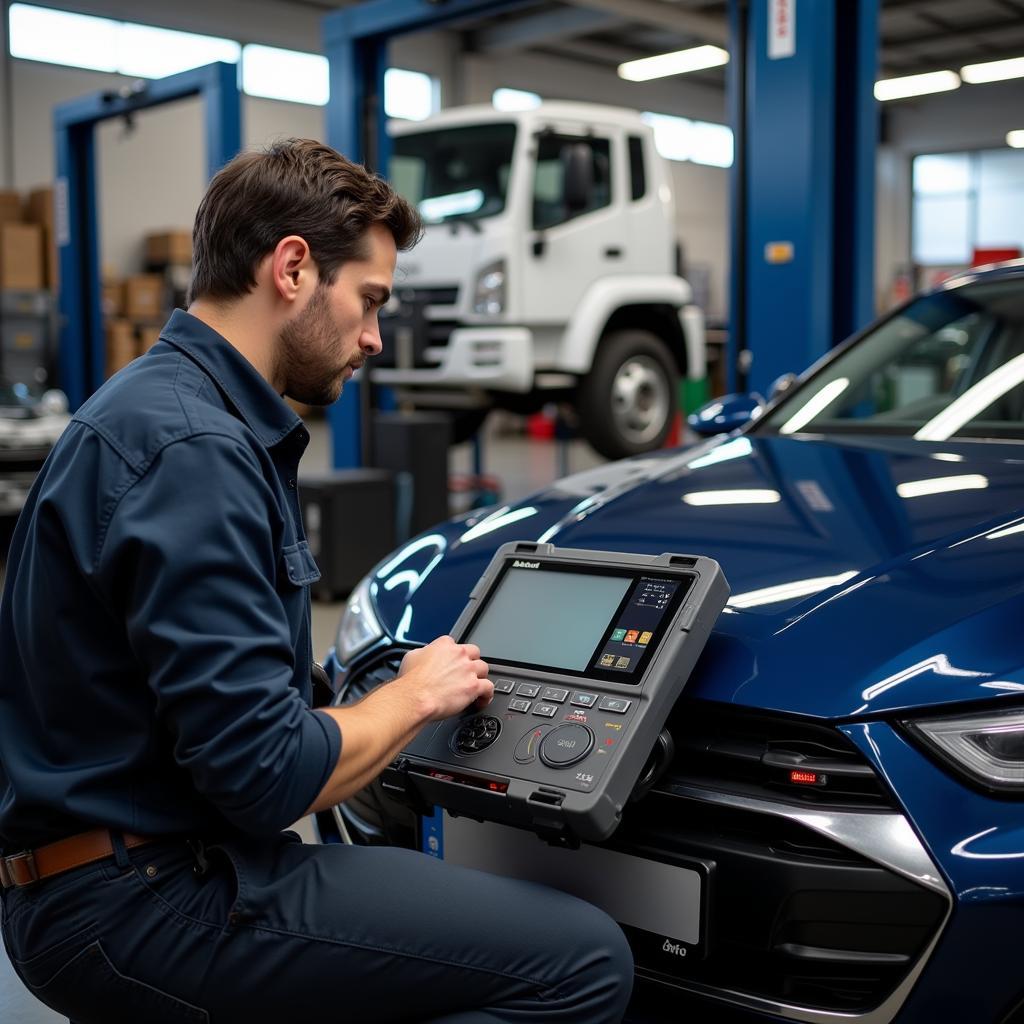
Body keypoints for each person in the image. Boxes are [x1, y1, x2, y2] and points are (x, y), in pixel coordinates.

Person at [0, 139, 633, 1023]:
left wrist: (351, 701)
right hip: (144, 898)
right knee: (585, 960)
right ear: (293, 268)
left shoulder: (153, 406)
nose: (374, 337)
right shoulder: (197, 452)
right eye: (369, 300)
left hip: (101, 874)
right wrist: (413, 699)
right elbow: (263, 777)